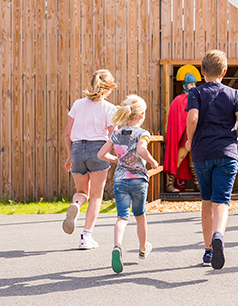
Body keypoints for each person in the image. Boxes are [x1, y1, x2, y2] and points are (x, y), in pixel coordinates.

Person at [185, 50, 238, 270]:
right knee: (221, 201)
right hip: (226, 153)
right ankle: (218, 235)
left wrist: (190, 141)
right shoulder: (233, 94)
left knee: (206, 201)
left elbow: (192, 118)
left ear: (202, 71)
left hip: (202, 153)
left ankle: (207, 250)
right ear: (224, 71)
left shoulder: (196, 93)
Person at [97, 94, 160, 273]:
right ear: (141, 115)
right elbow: (141, 149)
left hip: (120, 181)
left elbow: (101, 155)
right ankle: (142, 249)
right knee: (140, 216)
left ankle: (117, 246)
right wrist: (153, 161)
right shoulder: (142, 133)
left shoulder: (116, 133)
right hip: (139, 180)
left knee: (122, 217)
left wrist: (117, 159)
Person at [62, 69, 117, 249]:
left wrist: (70, 155)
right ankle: (86, 237)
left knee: (82, 192)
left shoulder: (78, 104)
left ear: (92, 84)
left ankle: (76, 205)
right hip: (98, 149)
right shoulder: (109, 108)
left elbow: (68, 133)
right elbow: (113, 136)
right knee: (96, 196)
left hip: (77, 149)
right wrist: (112, 155)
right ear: (108, 88)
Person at [164, 65, 202, 193]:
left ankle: (198, 185)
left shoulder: (197, 98)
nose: (193, 86)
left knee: (194, 159)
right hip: (184, 135)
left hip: (196, 134)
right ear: (185, 85)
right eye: (190, 84)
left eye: (194, 83)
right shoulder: (179, 100)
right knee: (179, 158)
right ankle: (169, 184)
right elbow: (178, 119)